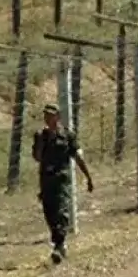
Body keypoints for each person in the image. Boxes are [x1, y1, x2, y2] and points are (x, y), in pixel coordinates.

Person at [31, 103, 94, 264]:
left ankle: (59, 245)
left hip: (61, 180)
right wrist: (43, 141)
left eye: (51, 115)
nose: (48, 118)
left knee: (61, 211)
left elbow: (78, 157)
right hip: (46, 181)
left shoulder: (67, 135)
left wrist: (88, 177)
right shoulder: (40, 136)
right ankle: (59, 243)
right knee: (49, 214)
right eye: (46, 115)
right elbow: (37, 157)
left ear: (58, 117)